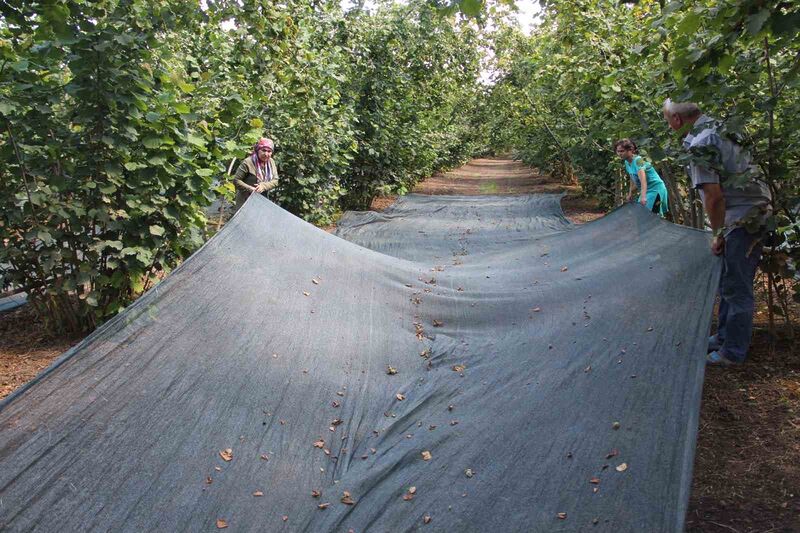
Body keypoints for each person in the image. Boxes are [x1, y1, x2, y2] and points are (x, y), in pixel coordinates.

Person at [663, 99, 772, 366]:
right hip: (755, 208)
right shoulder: (722, 127)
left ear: (676, 120)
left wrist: (719, 232)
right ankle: (723, 337)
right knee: (728, 281)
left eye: (667, 118)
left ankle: (732, 352)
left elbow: (713, 197)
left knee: (736, 287)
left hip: (743, 218)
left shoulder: (702, 144)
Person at [614, 138, 669, 217]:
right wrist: (630, 193)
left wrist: (643, 197)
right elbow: (632, 178)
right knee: (641, 214)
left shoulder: (638, 161)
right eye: (618, 151)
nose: (619, 154)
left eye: (622, 151)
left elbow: (643, 180)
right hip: (646, 191)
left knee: (649, 216)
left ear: (630, 150)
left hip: (655, 189)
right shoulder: (627, 162)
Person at [232, 137, 279, 211]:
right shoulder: (248, 162)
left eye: (269, 151)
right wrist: (250, 188)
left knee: (259, 219)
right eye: (263, 150)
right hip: (246, 199)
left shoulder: (271, 162)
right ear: (257, 150)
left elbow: (275, 180)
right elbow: (236, 180)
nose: (266, 154)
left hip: (262, 198)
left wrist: (263, 186)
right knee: (245, 220)